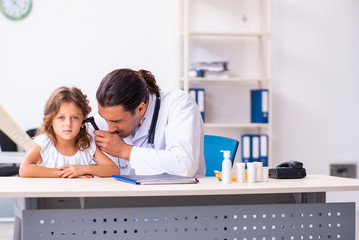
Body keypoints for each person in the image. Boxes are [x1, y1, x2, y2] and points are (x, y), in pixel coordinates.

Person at [91, 68, 205, 177]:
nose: (110, 128)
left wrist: (124, 151)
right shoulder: (110, 114)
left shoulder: (179, 104)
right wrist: (76, 109)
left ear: (140, 108)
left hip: (174, 194)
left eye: (117, 121)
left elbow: (184, 166)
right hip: (125, 194)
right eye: (105, 119)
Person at [19, 86, 120, 178]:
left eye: (75, 118)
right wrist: (67, 174)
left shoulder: (86, 145)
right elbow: (24, 170)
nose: (68, 123)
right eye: (61, 117)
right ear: (50, 121)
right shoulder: (44, 142)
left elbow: (114, 170)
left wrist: (83, 169)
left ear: (83, 121)